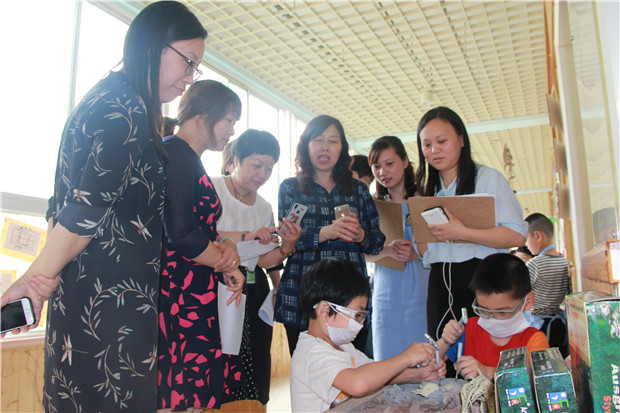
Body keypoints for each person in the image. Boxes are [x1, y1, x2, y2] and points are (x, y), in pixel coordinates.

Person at [0, 3, 207, 411]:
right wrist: (35, 278)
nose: (189, 77)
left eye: (195, 68)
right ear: (153, 46)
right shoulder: (126, 109)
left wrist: (43, 278)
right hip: (110, 308)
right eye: (188, 62)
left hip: (86, 296)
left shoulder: (108, 98)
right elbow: (82, 214)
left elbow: (65, 205)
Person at [158, 80, 246, 411]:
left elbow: (202, 227)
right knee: (181, 391)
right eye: (229, 120)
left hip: (195, 289)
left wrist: (226, 243)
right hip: (180, 295)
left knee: (193, 392)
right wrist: (229, 263)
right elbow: (181, 233)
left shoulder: (188, 158)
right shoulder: (175, 153)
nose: (232, 130)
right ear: (203, 116)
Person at [414, 106, 527, 343]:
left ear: (462, 140)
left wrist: (463, 232)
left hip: (481, 280)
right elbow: (425, 247)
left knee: (479, 349)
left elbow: (517, 236)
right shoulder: (427, 190)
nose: (434, 150)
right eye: (427, 145)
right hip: (440, 282)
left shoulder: (488, 179)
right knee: (440, 352)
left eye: (442, 141)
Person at [275, 115, 385, 356]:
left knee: (353, 369)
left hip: (350, 299)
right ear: (306, 146)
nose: (325, 147)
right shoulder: (290, 187)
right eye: (318, 140)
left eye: (333, 141)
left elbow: (377, 243)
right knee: (307, 369)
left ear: (342, 149)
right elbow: (287, 241)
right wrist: (324, 233)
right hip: (303, 297)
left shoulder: (358, 190)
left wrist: (360, 235)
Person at [211, 129, 302, 405]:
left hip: (253, 289)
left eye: (269, 168)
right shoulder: (213, 188)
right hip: (216, 285)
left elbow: (263, 261)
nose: (262, 174)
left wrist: (286, 247)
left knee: (255, 361)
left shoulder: (264, 207)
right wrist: (247, 235)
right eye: (257, 165)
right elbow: (201, 235)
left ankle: (251, 407)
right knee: (219, 361)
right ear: (236, 160)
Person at [290, 257, 445, 412]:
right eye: (357, 315)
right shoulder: (312, 354)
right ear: (325, 312)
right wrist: (407, 357)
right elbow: (357, 384)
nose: (361, 324)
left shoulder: (343, 346)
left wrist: (418, 375)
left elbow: (376, 374)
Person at [365, 136, 430, 360]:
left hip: (422, 291)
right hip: (386, 295)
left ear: (404, 162)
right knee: (387, 359)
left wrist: (417, 253)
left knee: (424, 358)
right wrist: (388, 251)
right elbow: (361, 252)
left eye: (389, 164)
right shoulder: (372, 206)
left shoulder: (425, 200)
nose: (382, 172)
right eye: (376, 166)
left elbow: (445, 244)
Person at [436, 253, 549, 380]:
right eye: (484, 310)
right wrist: (446, 340)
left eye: (503, 312)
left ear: (527, 302)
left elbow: (540, 382)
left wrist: (488, 372)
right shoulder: (470, 330)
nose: (493, 319)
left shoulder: (534, 341)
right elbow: (431, 362)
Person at [524, 212, 571, 356]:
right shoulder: (565, 263)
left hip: (539, 327)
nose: (525, 245)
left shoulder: (535, 264)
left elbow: (520, 293)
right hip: (559, 325)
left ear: (538, 236)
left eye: (526, 239)